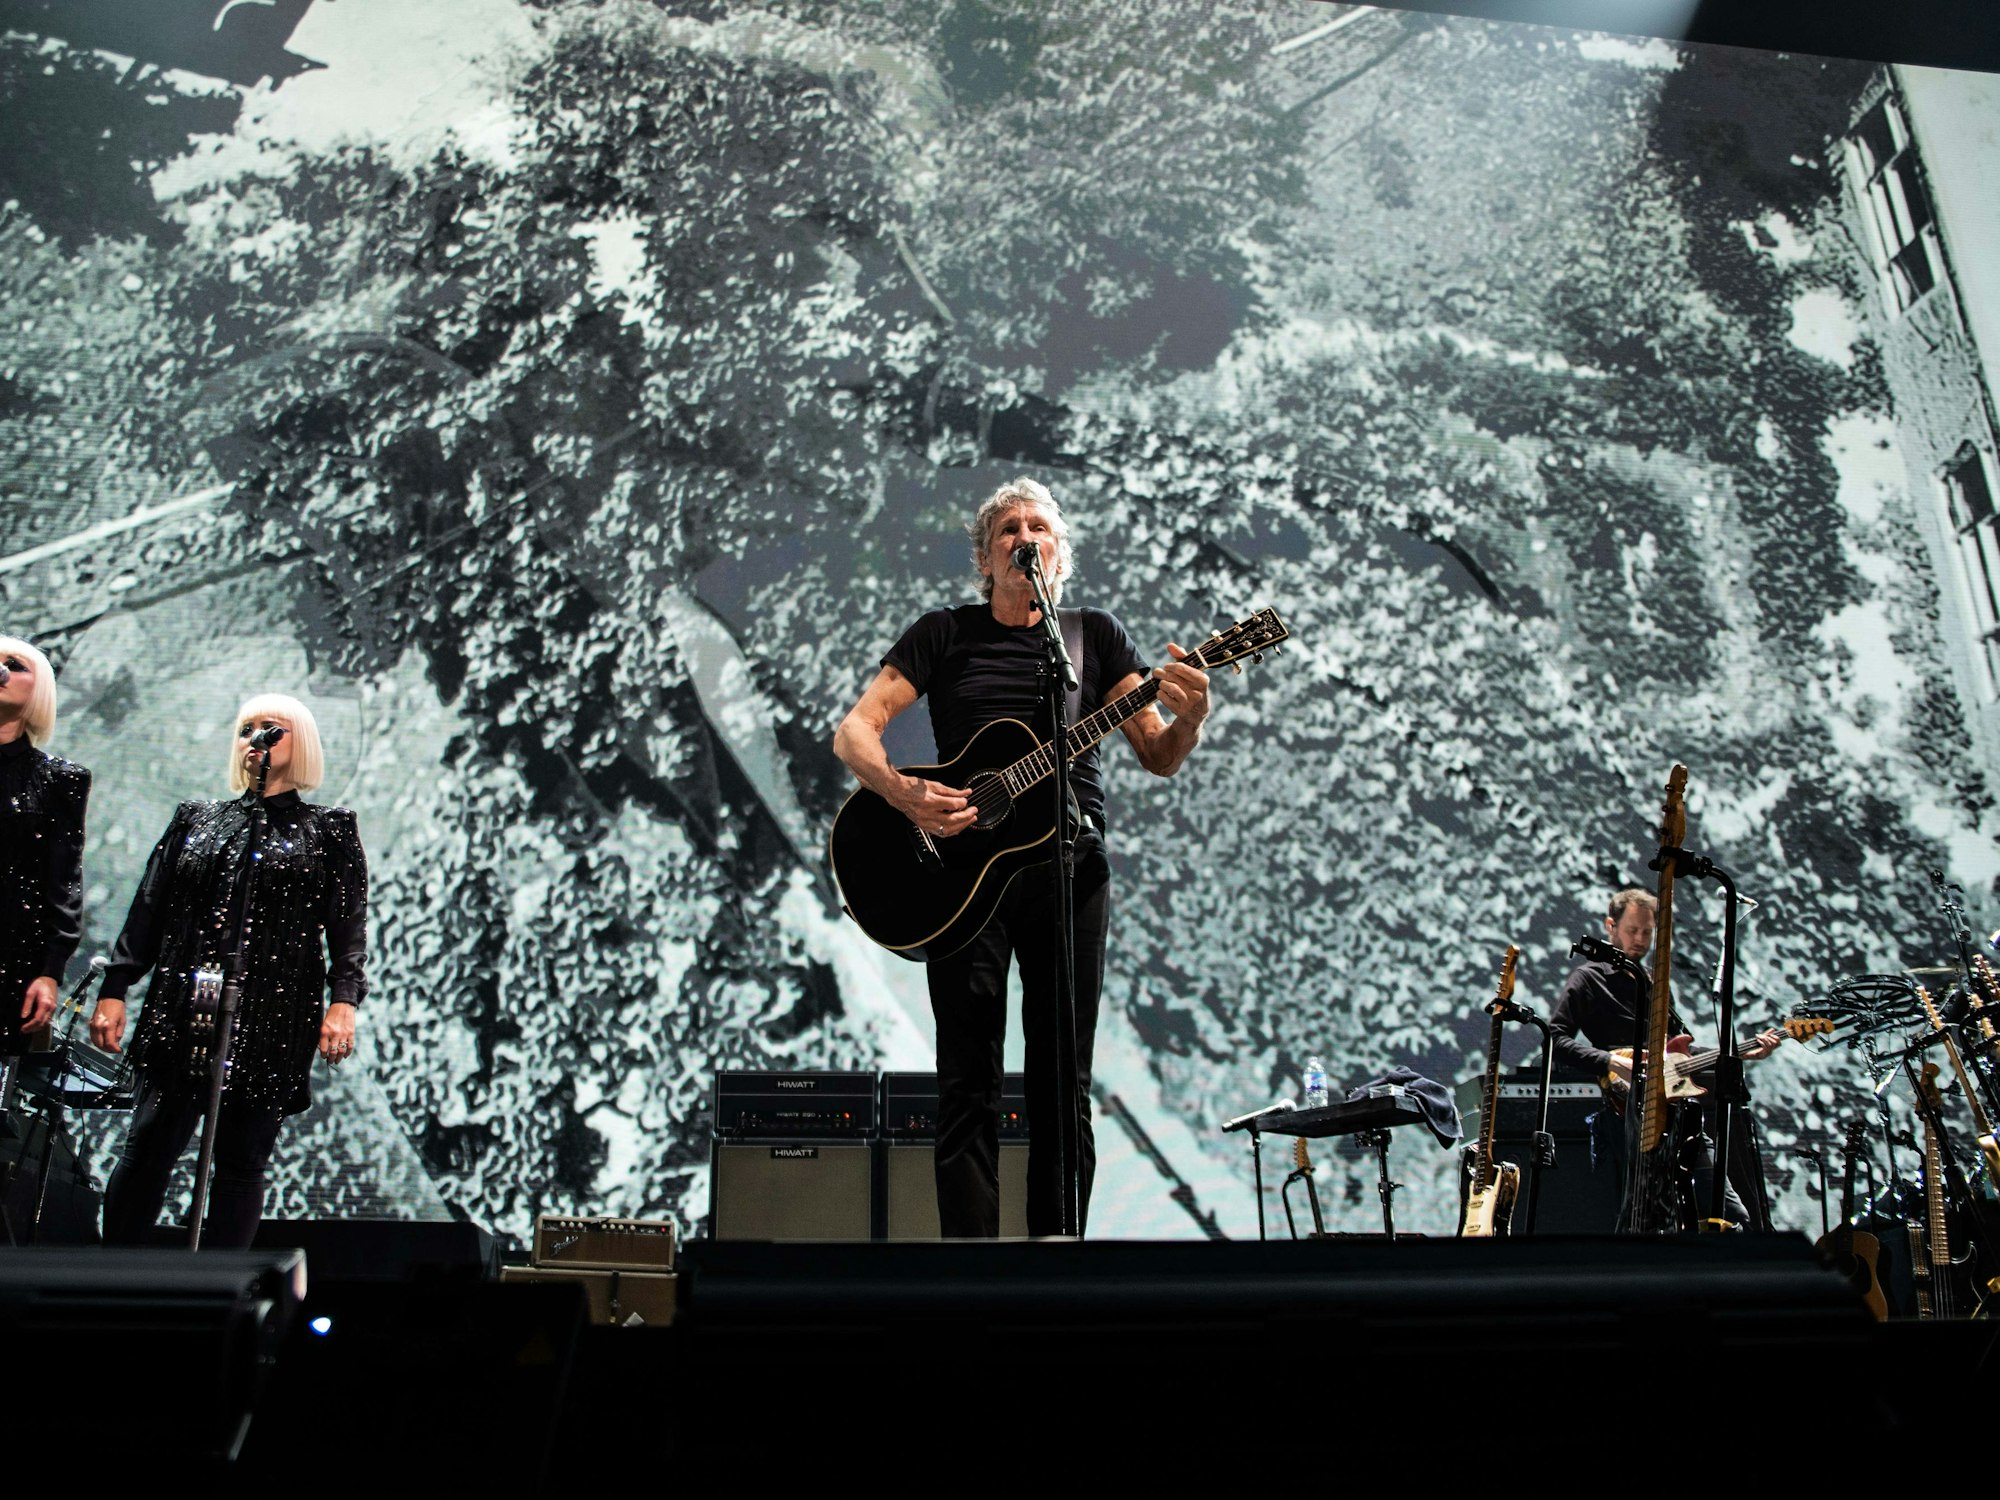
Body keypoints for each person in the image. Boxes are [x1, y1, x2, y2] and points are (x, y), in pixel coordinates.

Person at [833, 478, 1214, 1237]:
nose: (1025, 537)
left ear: (1058, 553)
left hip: (1070, 872)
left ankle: (1057, 1258)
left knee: (1061, 1080)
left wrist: (1193, 717)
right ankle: (973, 1270)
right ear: (985, 556)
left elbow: (1159, 753)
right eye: (1009, 528)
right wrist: (908, 797)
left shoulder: (1091, 638)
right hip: (960, 876)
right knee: (968, 1076)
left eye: (1039, 526)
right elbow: (854, 733)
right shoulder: (944, 633)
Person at [90, 693, 366, 1247]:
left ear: (302, 742)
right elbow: (148, 907)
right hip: (183, 1003)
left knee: (242, 1159)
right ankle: (113, 1272)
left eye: (273, 729)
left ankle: (220, 1292)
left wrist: (344, 1002)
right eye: (247, 728)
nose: (256, 738)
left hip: (275, 1011)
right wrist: (116, 987)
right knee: (147, 1145)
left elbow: (347, 927)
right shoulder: (197, 818)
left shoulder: (330, 830)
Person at [1551, 887, 1781, 1229]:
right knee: (1641, 1218)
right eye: (1632, 930)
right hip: (1630, 1114)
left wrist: (1743, 1055)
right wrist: (1612, 1062)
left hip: (1679, 1114)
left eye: (1647, 931)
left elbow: (1679, 1053)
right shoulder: (1588, 979)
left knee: (1732, 1217)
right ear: (1610, 926)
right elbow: (1556, 1039)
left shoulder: (1651, 981)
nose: (1641, 939)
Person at [0, 636, 90, 1059]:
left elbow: (63, 880)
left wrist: (51, 971)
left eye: (14, 665)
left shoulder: (60, 780)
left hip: (9, 956)